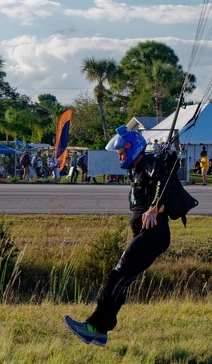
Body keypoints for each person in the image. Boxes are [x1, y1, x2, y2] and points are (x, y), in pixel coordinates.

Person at [63, 126, 174, 346]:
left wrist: (153, 208)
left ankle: (92, 327)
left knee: (116, 277)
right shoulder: (140, 168)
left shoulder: (150, 165)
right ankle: (101, 332)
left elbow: (162, 181)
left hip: (154, 233)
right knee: (121, 282)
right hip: (147, 235)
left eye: (122, 150)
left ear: (133, 148)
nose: (119, 155)